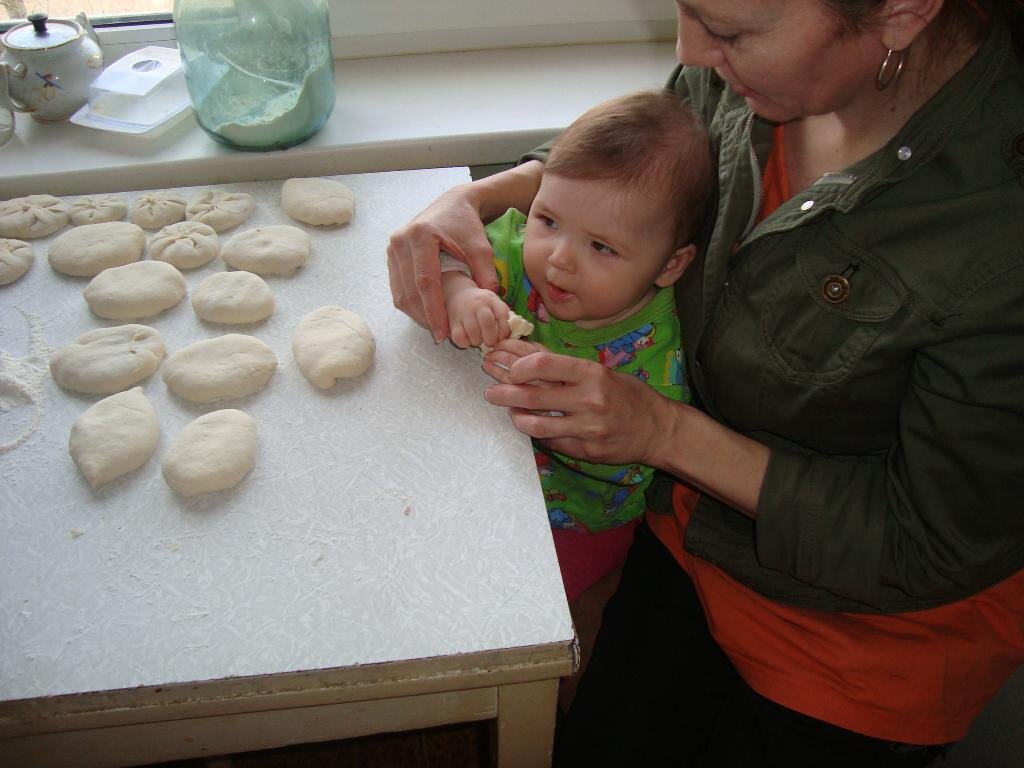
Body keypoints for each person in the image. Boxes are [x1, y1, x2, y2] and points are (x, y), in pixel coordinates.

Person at [387, 1, 1024, 765]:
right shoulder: (744, 73)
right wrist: (480, 198)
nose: (691, 50)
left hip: (865, 641)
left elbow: (930, 539)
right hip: (686, 534)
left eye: (729, 31)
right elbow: (653, 155)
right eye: (685, 8)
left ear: (902, 11)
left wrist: (662, 432)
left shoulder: (999, 217)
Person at [441, 90, 712, 601]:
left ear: (670, 265)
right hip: (487, 470)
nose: (558, 260)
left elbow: (630, 466)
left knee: (509, 604)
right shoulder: (524, 251)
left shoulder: (660, 360)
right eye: (549, 221)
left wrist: (556, 410)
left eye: (602, 247)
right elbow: (446, 255)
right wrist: (462, 291)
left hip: (581, 519)